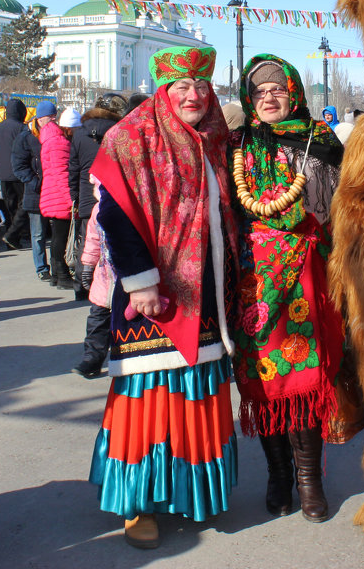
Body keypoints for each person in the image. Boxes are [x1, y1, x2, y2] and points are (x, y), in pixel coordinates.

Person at [88, 45, 238, 550]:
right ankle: (137, 505)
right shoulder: (130, 136)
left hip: (205, 293)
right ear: (162, 90)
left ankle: (191, 494)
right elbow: (115, 214)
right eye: (182, 87)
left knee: (195, 388)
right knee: (147, 399)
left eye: (200, 86)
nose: (194, 96)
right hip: (151, 295)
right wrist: (142, 282)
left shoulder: (217, 137)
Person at [231, 54, 346, 523]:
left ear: (294, 91)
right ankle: (278, 474)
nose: (269, 97)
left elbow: (348, 204)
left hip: (305, 275)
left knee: (302, 376)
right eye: (259, 92)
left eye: (277, 88)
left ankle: (308, 478)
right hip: (250, 282)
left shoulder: (320, 141)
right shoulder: (238, 143)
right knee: (263, 378)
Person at [70, 99, 121, 378]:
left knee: (120, 315)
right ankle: (92, 356)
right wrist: (88, 265)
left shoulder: (80, 132)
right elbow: (92, 237)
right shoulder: (101, 206)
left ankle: (118, 355)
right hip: (104, 271)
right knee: (99, 313)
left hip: (124, 270)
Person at [12, 103, 50, 281]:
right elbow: (19, 166)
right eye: (50, 118)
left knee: (58, 233)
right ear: (39, 119)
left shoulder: (56, 135)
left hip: (53, 190)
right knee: (38, 233)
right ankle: (41, 267)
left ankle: (59, 267)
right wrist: (35, 182)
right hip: (36, 192)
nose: (53, 121)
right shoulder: (25, 138)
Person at [38, 101, 74, 289]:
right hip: (59, 196)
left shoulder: (46, 139)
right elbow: (62, 173)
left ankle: (55, 276)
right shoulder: (58, 141)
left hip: (51, 194)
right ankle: (62, 276)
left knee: (57, 238)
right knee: (61, 237)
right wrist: (71, 200)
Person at [0, 97, 30, 249]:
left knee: (10, 205)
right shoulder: (22, 128)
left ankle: (13, 236)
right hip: (20, 173)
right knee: (23, 204)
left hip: (4, 174)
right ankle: (15, 234)